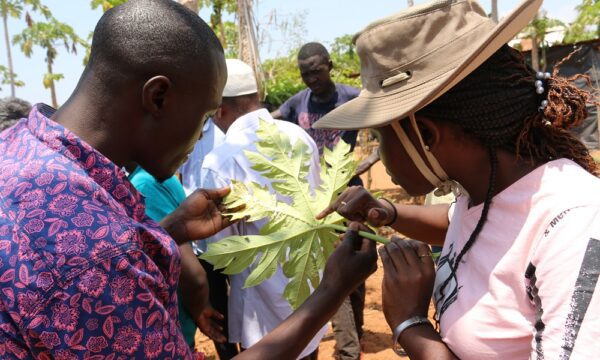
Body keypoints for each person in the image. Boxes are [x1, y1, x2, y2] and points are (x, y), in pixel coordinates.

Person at [315, 0, 600, 359]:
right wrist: (385, 211)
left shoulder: (573, 225)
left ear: (428, 136)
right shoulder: (485, 192)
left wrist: (410, 325)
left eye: (382, 134)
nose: (378, 152)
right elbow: (458, 223)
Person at [200, 58, 326, 359]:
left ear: (220, 109)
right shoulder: (299, 137)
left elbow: (224, 251)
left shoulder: (221, 161)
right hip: (310, 293)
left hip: (263, 318)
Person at [272, 41, 373, 359]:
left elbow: (387, 123)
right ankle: (348, 347)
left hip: (351, 196)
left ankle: (355, 331)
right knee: (331, 267)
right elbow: (270, 121)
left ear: (329, 65)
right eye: (304, 73)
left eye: (315, 70)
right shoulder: (296, 104)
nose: (310, 78)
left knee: (357, 267)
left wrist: (370, 161)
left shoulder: (351, 98)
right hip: (317, 202)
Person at [128, 165, 226, 349]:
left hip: (172, 327)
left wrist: (198, 308)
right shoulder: (153, 177)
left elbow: (193, 276)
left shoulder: (144, 186)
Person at [179, 118, 239, 359]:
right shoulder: (183, 131)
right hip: (199, 243)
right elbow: (181, 177)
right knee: (216, 308)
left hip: (230, 237)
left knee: (241, 301)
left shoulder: (224, 135)